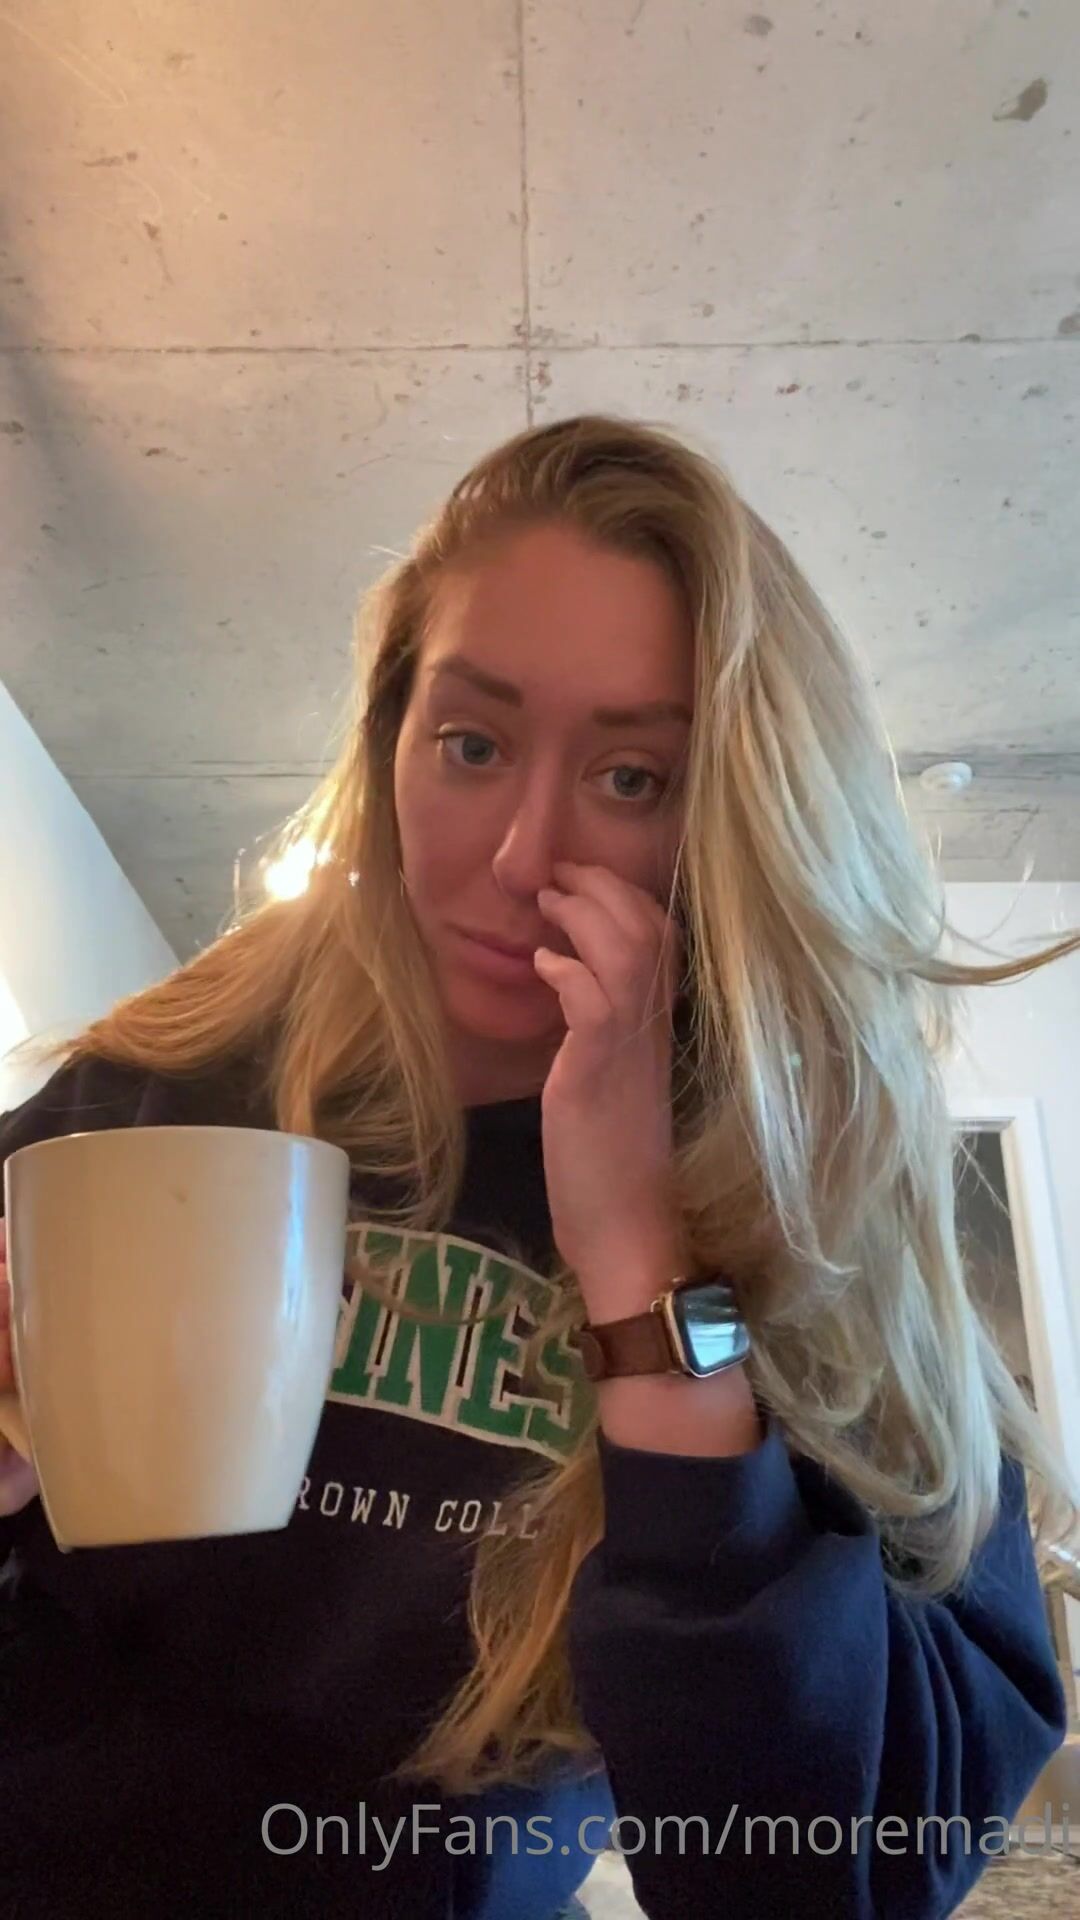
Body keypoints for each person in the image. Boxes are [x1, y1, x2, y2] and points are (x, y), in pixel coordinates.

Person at [1, 413, 1077, 1920]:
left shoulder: (814, 1211)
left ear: (730, 822)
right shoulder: (166, 1088)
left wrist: (641, 1261)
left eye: (633, 777)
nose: (518, 855)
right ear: (391, 745)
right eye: (472, 745)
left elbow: (843, 1875)